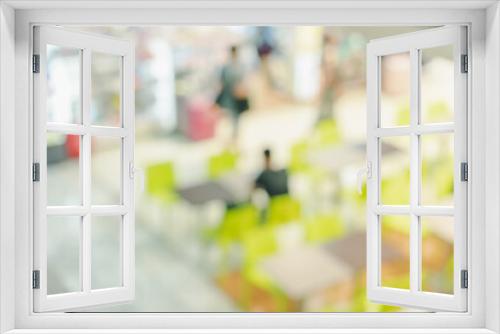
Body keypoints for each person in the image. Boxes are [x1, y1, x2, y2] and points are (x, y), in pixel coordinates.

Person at [215, 45, 249, 144]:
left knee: (236, 117)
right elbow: (223, 81)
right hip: (230, 96)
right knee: (232, 116)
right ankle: (233, 136)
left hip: (237, 96)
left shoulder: (239, 66)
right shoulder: (228, 66)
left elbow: (243, 81)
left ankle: (235, 137)